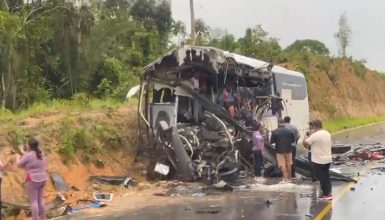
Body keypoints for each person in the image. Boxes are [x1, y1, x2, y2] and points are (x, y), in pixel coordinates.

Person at [16, 137, 48, 220]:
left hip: (33, 180)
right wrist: (23, 152)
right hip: (43, 178)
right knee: (40, 200)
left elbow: (19, 164)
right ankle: (43, 218)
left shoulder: (28, 155)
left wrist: (17, 157)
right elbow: (30, 157)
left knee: (33, 202)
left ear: (29, 145)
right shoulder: (41, 153)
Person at [303, 119, 333, 200]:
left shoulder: (316, 135)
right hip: (327, 159)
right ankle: (328, 193)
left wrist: (306, 135)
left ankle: (327, 194)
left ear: (314, 126)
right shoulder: (326, 133)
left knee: (322, 177)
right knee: (326, 176)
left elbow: (305, 143)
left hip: (319, 160)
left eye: (311, 126)